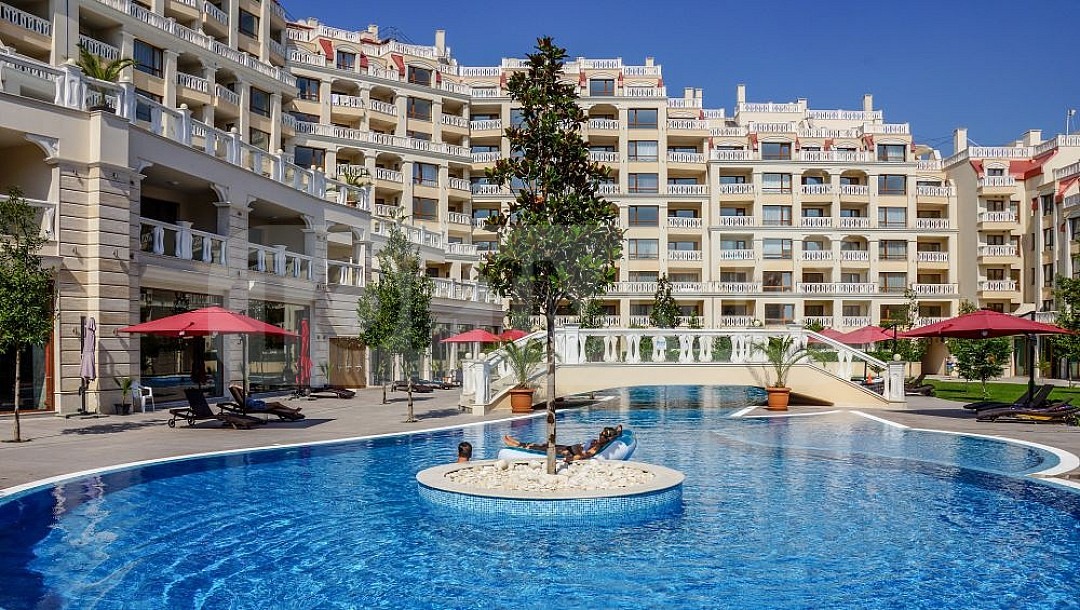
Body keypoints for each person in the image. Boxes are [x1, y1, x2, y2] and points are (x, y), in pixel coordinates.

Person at [503, 425, 623, 462]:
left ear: (606, 439)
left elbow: (585, 455)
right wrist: (617, 432)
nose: (600, 434)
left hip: (568, 452)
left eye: (602, 435)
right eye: (601, 433)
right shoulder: (599, 442)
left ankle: (516, 445)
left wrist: (571, 459)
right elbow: (618, 428)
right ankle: (519, 443)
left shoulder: (596, 447)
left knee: (544, 448)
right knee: (545, 445)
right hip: (570, 447)